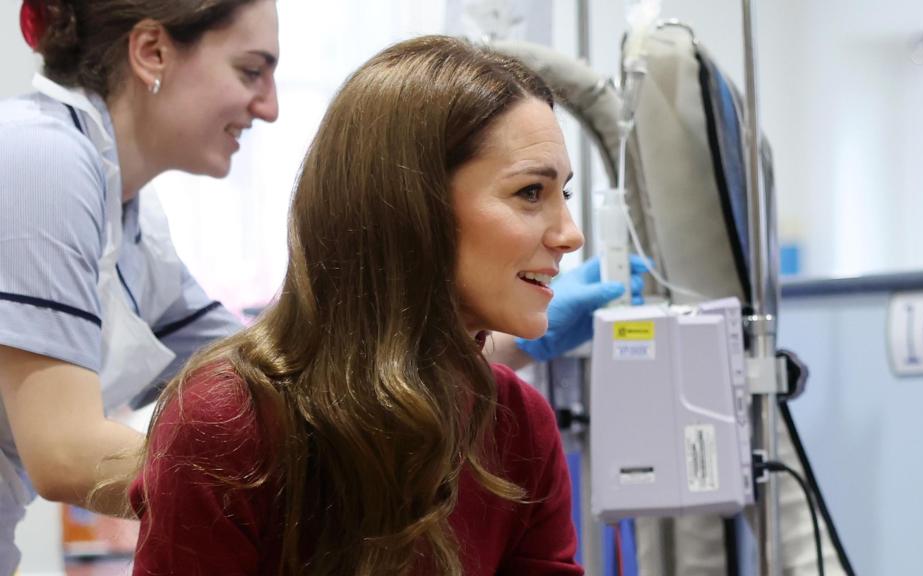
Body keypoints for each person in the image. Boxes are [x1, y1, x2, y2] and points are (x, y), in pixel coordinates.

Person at [0, 1, 643, 571]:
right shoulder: (42, 156)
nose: (272, 106)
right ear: (152, 51)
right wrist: (231, 480)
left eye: (559, 193)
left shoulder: (134, 215)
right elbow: (64, 451)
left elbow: (304, 369)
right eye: (251, 70)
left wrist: (484, 360)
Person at [130, 35, 592, 575]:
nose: (570, 235)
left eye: (565, 194)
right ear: (412, 207)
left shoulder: (519, 427)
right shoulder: (226, 424)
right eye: (531, 193)